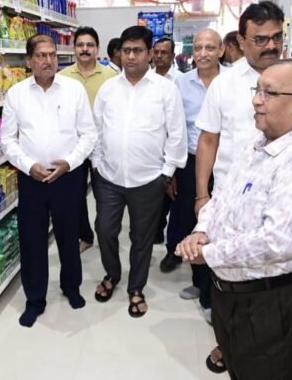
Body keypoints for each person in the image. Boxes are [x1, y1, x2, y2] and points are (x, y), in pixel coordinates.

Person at [192, 0, 292, 374]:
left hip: (273, 299)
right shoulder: (257, 142)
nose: (257, 100)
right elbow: (222, 183)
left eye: (268, 94)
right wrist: (204, 222)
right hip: (236, 290)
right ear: (242, 40)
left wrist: (210, 252)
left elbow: (277, 242)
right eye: (258, 91)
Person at [0, 34, 97, 328]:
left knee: (69, 234)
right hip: (32, 178)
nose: (48, 60)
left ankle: (71, 287)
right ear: (29, 61)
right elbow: (7, 140)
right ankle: (35, 300)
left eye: (52, 55)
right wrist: (28, 166)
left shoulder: (73, 90)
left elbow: (89, 134)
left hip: (67, 176)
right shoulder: (16, 94)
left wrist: (70, 162)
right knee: (32, 239)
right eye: (41, 55)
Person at [91, 25, 187, 318]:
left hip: (149, 179)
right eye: (126, 51)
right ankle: (112, 273)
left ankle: (136, 288)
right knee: (105, 229)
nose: (131, 56)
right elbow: (96, 129)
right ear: (119, 54)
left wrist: (167, 171)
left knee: (142, 237)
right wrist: (96, 162)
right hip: (109, 177)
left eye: (138, 51)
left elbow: (176, 133)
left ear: (150, 54)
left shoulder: (166, 90)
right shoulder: (108, 89)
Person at [160, 29, 226, 323]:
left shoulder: (231, 81)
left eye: (210, 47)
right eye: (198, 48)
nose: (203, 53)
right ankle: (200, 282)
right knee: (193, 221)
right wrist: (172, 169)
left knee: (220, 225)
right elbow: (173, 128)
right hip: (190, 162)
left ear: (221, 50)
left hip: (225, 163)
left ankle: (214, 292)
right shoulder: (181, 83)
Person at [60, 26, 117, 254]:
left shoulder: (111, 76)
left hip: (103, 145)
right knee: (76, 196)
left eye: (90, 45)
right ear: (74, 49)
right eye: (81, 45)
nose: (85, 49)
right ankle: (85, 235)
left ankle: (106, 233)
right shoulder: (62, 77)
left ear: (97, 49)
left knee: (105, 194)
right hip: (74, 147)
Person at [152, 36, 181, 245]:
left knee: (173, 195)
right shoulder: (146, 79)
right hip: (153, 149)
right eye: (156, 52)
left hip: (174, 146)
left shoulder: (180, 81)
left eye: (164, 52)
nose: (159, 56)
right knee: (155, 198)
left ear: (172, 56)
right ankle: (156, 229)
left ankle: (170, 237)